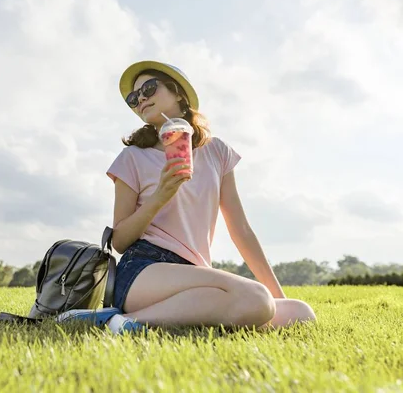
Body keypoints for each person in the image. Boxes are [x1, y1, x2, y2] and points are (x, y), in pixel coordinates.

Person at [57, 60, 316, 334]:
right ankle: (125, 322)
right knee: (256, 299)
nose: (141, 98)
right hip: (145, 268)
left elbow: (241, 229)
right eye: (134, 98)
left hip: (196, 273)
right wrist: (160, 195)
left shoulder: (217, 152)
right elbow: (120, 241)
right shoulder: (131, 157)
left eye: (149, 88)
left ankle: (142, 318)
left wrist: (279, 298)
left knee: (298, 312)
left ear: (179, 92)